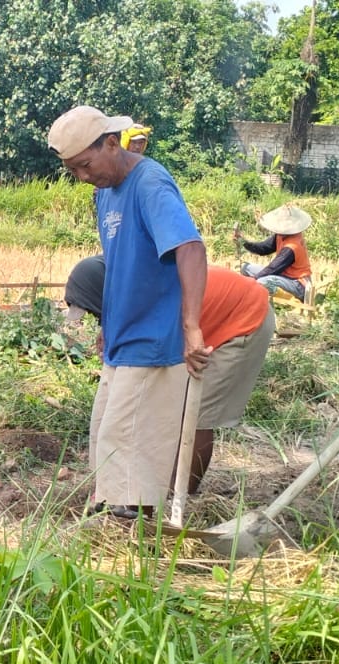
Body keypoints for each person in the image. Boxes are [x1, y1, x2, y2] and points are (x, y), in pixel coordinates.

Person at [46, 105, 211, 519]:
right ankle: (113, 516)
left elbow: (189, 247)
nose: (83, 177)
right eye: (73, 171)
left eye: (86, 164)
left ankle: (128, 535)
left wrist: (191, 326)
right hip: (124, 336)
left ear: (110, 143)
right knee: (105, 434)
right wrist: (108, 323)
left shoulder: (150, 183)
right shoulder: (105, 191)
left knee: (128, 438)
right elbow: (120, 262)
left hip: (153, 337)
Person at [64, 256, 274, 495]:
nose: (98, 319)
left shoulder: (161, 303)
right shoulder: (139, 289)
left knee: (194, 415)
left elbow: (154, 370)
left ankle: (181, 494)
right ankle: (164, 485)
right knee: (170, 407)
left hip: (245, 318)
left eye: (97, 312)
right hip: (213, 316)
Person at [239, 204, 313, 301]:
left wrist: (252, 280)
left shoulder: (292, 247)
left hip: (298, 284)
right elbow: (263, 248)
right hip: (284, 276)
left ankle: (292, 299)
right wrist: (243, 242)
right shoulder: (281, 235)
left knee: (262, 282)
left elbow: (273, 269)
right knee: (245, 268)